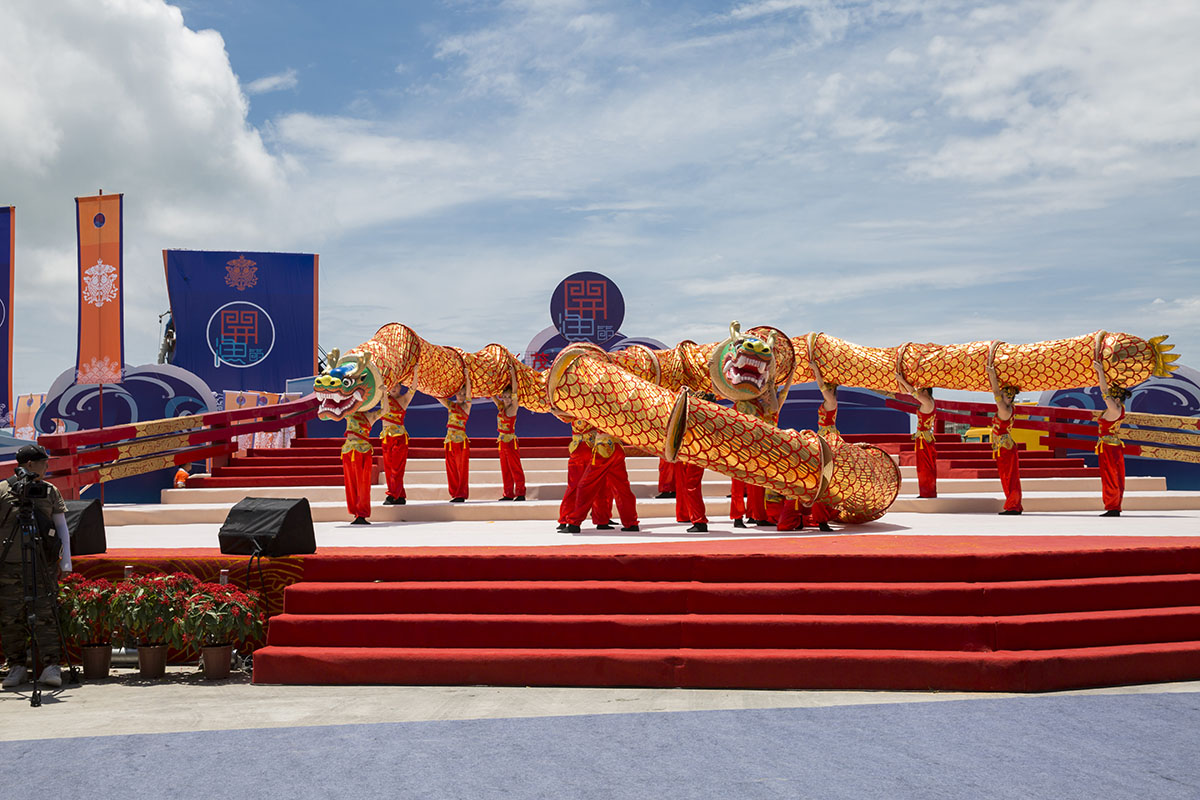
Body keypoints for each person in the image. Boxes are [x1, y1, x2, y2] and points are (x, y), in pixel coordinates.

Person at [1, 445, 72, 689]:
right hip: (9, 566)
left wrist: (66, 562)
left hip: (42, 565)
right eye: (44, 462)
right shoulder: (3, 490)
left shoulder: (49, 490)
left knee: (45, 614)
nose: (48, 467)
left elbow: (61, 525)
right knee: (10, 618)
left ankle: (52, 666)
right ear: (30, 464)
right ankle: (17, 666)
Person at [563, 431, 638, 533]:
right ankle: (631, 523)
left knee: (585, 486)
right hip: (617, 447)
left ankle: (574, 523)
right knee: (622, 488)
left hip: (603, 449)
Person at [557, 419, 612, 531]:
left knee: (595, 485)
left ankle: (566, 519)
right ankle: (600, 519)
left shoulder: (571, 405)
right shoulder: (574, 405)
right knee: (595, 484)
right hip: (586, 450)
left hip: (589, 449)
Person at [987, 353, 1022, 515]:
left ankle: (1013, 505)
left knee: (1009, 476)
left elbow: (995, 392)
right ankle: (1013, 504)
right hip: (1003, 446)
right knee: (1008, 476)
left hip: (1005, 447)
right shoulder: (1009, 408)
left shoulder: (1004, 409)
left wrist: (991, 375)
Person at [1094, 360, 1129, 517]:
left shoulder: (1114, 409)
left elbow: (1104, 391)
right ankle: (1114, 505)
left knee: (1110, 476)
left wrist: (1100, 372)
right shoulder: (1120, 409)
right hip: (1112, 446)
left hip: (1108, 447)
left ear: (1115, 398)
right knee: (1115, 475)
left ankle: (1113, 506)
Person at [382, 377, 416, 506]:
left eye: (396, 385)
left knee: (397, 468)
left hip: (399, 438)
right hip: (386, 438)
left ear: (401, 387)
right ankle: (400, 495)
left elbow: (413, 388)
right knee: (389, 469)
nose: (393, 388)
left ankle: (392, 495)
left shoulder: (403, 400)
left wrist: (416, 371)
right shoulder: (383, 397)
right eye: (391, 385)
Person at [341, 408, 379, 524]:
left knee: (363, 484)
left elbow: (384, 411)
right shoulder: (348, 413)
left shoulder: (370, 416)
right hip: (348, 450)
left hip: (362, 451)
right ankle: (355, 512)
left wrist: (383, 394)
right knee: (350, 483)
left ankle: (361, 514)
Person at [493, 379, 526, 502]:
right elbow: (492, 395)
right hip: (501, 442)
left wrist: (512, 376)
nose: (506, 399)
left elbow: (516, 393)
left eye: (508, 397)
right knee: (505, 468)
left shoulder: (513, 408)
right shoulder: (501, 407)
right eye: (504, 397)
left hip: (511, 442)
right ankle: (508, 493)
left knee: (515, 467)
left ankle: (520, 492)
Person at [438, 386, 472, 503]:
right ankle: (454, 493)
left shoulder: (467, 406)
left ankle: (461, 494)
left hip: (460, 442)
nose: (461, 396)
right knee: (451, 469)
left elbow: (468, 395)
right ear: (455, 394)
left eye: (464, 394)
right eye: (459, 394)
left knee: (461, 469)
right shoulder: (451, 406)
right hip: (449, 441)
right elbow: (439, 397)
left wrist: (467, 377)